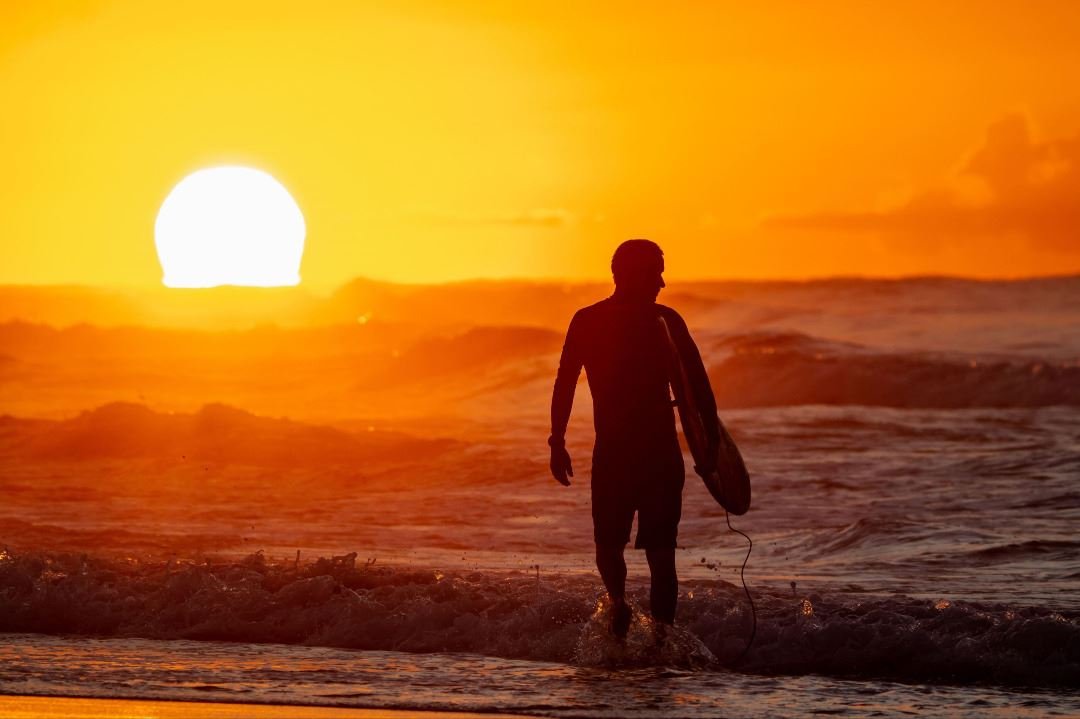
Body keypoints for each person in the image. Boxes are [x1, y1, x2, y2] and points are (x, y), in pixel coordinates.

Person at [548, 239, 719, 638]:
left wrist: (711, 447)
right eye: (655, 272)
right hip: (637, 455)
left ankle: (648, 628)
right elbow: (566, 380)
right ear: (630, 274)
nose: (662, 281)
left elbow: (696, 387)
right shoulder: (596, 320)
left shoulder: (660, 320)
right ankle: (629, 615)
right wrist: (556, 439)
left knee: (642, 551)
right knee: (625, 549)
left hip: (638, 455)